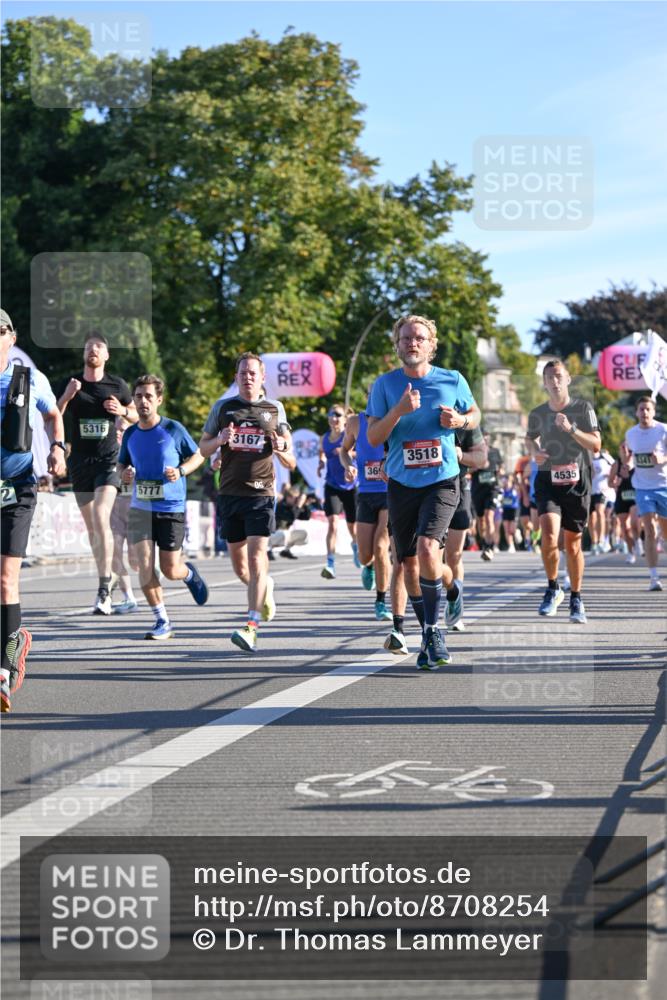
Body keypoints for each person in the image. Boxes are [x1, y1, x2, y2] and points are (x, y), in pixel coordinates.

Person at [367, 313, 480, 669]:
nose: (412, 343)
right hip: (402, 483)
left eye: (419, 338)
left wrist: (461, 421)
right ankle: (450, 593)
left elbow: (475, 413)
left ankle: (432, 632)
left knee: (429, 548)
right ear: (397, 345)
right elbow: (373, 437)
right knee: (409, 564)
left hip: (443, 479)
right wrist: (398, 411)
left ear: (431, 345)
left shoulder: (452, 380)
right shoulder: (384, 386)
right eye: (405, 339)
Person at [199, 352, 295, 652]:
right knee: (242, 568)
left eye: (253, 373)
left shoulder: (275, 409)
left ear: (262, 377)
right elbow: (203, 449)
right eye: (242, 373)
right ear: (237, 377)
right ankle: (264, 589)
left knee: (256, 559)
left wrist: (280, 448)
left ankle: (251, 625)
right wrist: (220, 440)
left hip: (261, 494)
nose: (248, 377)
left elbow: (290, 460)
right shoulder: (223, 408)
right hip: (229, 494)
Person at [1, 308, 67, 712]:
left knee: (6, 577)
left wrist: (57, 449)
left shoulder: (28, 379)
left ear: (10, 337)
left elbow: (53, 414)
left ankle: (4, 669)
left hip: (17, 487)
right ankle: (17, 637)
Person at [117, 374, 209, 639]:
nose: (143, 401)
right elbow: (122, 464)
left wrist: (180, 471)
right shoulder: (131, 433)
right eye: (138, 396)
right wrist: (124, 474)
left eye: (148, 396)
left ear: (159, 400)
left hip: (170, 507)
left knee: (170, 570)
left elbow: (198, 455)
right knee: (144, 567)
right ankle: (162, 621)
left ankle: (189, 574)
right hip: (140, 508)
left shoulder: (173, 429)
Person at [56, 332, 137, 615]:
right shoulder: (72, 383)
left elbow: (137, 415)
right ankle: (112, 577)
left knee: (102, 517)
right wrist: (66, 397)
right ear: (84, 355)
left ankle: (104, 588)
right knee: (94, 530)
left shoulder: (117, 384)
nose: (93, 350)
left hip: (108, 461)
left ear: (106, 356)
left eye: (99, 347)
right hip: (79, 462)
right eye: (88, 347)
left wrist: (123, 411)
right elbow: (53, 414)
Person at [526, 359, 601, 623]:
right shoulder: (537, 413)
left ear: (568, 379)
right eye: (549, 377)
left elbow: (596, 445)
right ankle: (552, 587)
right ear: (544, 383)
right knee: (548, 534)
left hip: (577, 483)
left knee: (573, 544)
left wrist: (572, 429)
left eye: (559, 376)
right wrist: (535, 452)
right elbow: (529, 438)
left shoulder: (582, 408)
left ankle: (576, 597)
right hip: (548, 480)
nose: (554, 381)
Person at [340, 406, 392, 620]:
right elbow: (343, 450)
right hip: (366, 493)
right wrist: (349, 466)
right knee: (365, 555)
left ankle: (381, 600)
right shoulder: (354, 422)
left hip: (390, 492)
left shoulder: (394, 419)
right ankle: (368, 566)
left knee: (381, 547)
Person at [443, 425, 488, 631]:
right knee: (429, 556)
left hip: (458, 486)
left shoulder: (465, 419)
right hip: (426, 488)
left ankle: (454, 601)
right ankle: (448, 593)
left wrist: (461, 455)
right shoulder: (419, 410)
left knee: (453, 555)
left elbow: (481, 458)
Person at [623, 396, 667, 591]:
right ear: (636, 412)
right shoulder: (631, 434)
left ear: (653, 411)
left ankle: (664, 540)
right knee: (648, 528)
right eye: (641, 409)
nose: (644, 413)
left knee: (665, 531)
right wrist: (626, 465)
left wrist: (663, 458)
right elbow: (630, 458)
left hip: (664, 485)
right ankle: (654, 577)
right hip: (642, 487)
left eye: (648, 409)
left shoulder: (663, 430)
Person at [318, 406, 359, 578]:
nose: (334, 418)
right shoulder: (324, 438)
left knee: (352, 526)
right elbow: (322, 453)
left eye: (338, 415)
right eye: (331, 414)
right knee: (333, 523)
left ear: (344, 419)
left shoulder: (349, 435)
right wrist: (321, 463)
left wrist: (347, 452)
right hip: (332, 485)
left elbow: (361, 451)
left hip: (351, 485)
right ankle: (330, 563)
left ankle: (356, 545)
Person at [110, 415, 139, 613]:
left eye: (123, 430)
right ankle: (129, 597)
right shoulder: (106, 452)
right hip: (114, 508)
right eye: (117, 430)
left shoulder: (137, 449)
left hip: (137, 508)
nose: (119, 434)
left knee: (135, 561)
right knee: (115, 553)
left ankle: (155, 567)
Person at [470, 432, 504, 560]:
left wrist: (499, 471)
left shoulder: (495, 452)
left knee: (489, 517)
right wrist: (478, 466)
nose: (485, 440)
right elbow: (468, 470)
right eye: (482, 438)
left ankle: (489, 546)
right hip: (478, 489)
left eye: (486, 438)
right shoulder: (473, 452)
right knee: (481, 520)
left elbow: (501, 468)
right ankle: (483, 543)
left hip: (492, 488)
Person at [608, 444, 640, 564]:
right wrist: (616, 483)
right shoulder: (616, 465)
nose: (626, 450)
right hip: (621, 497)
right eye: (623, 448)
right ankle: (631, 552)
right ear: (620, 451)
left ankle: (638, 541)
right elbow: (609, 482)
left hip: (635, 496)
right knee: (625, 528)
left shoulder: (636, 462)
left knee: (634, 522)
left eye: (628, 448)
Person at [589, 448, 614, 554]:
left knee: (600, 512)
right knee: (591, 518)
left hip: (602, 490)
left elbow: (615, 467)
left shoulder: (605, 457)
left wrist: (611, 476)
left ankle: (601, 540)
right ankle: (594, 543)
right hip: (590, 491)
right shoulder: (586, 457)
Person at [500, 473, 520, 552]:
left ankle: (516, 531)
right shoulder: (502, 490)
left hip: (514, 510)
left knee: (512, 529)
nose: (506, 482)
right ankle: (511, 546)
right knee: (506, 529)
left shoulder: (515, 488)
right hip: (505, 510)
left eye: (508, 480)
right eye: (505, 480)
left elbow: (519, 490)